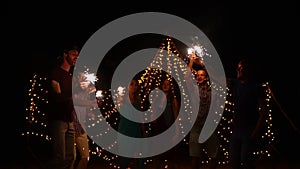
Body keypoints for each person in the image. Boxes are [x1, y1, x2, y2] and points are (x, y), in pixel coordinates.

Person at [227, 58, 267, 169]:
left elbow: (264, 111)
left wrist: (256, 131)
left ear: (248, 70)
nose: (239, 70)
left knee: (246, 160)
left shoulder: (256, 87)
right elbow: (216, 77)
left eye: (242, 68)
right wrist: (202, 63)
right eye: (238, 68)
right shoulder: (235, 84)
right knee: (233, 161)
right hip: (236, 129)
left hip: (249, 129)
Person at [46, 44, 79, 169]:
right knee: (60, 157)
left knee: (71, 157)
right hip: (58, 120)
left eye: (78, 55)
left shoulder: (71, 77)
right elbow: (58, 98)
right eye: (73, 54)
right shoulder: (56, 73)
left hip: (69, 120)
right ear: (65, 55)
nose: (77, 57)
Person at [186, 53, 220, 169]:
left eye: (202, 75)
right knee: (195, 156)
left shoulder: (211, 90)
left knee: (214, 155)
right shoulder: (194, 89)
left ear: (205, 77)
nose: (199, 76)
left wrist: (201, 63)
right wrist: (191, 61)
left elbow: (215, 76)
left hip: (208, 126)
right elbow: (187, 78)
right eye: (197, 75)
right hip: (196, 126)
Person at [150, 76, 180, 169]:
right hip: (159, 128)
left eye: (168, 84)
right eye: (164, 84)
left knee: (170, 153)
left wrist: (177, 129)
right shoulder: (157, 99)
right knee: (158, 153)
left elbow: (176, 116)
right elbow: (153, 116)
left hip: (170, 128)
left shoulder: (173, 100)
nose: (165, 86)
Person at [117, 79, 145, 169]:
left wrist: (143, 130)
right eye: (131, 84)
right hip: (125, 129)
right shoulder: (122, 98)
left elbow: (140, 117)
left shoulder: (138, 99)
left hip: (135, 129)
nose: (134, 86)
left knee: (139, 155)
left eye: (136, 84)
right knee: (125, 156)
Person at [72, 71, 98, 169]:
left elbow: (86, 107)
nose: (84, 79)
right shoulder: (73, 89)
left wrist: (90, 113)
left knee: (85, 156)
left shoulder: (87, 91)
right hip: (72, 124)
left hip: (81, 126)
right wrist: (90, 103)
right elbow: (75, 101)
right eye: (81, 76)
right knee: (72, 157)